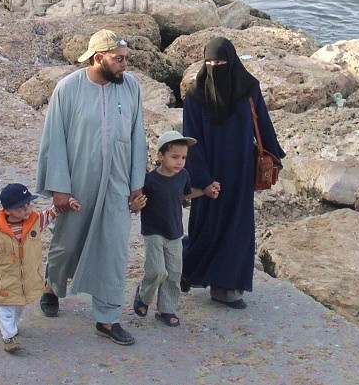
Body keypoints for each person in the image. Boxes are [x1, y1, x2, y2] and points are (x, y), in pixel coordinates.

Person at [36, 29, 148, 346]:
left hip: (117, 182)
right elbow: (54, 141)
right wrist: (59, 188)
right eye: (118, 59)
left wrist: (136, 184)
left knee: (114, 249)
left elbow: (138, 135)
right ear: (98, 58)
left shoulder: (131, 88)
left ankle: (108, 317)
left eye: (126, 59)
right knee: (66, 243)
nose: (124, 65)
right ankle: (52, 286)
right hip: (77, 183)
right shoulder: (67, 90)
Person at [181, 37, 285, 309]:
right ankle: (187, 268)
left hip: (239, 171)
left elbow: (262, 124)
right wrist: (202, 180)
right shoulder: (195, 96)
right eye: (210, 62)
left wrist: (274, 157)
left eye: (221, 62)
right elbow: (191, 139)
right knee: (206, 226)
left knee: (236, 229)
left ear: (232, 61)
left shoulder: (248, 89)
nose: (215, 67)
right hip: (209, 172)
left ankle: (227, 288)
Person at [0, 182, 80, 353]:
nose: (27, 209)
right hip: (5, 278)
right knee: (5, 307)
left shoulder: (35, 222)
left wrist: (68, 203)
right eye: (20, 207)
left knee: (18, 306)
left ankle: (11, 327)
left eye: (28, 204)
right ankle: (9, 338)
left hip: (26, 279)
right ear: (7, 211)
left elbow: (52, 213)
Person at [132, 130, 206, 328]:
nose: (179, 162)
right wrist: (135, 206)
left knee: (173, 274)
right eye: (174, 157)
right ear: (160, 156)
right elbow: (136, 202)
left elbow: (185, 195)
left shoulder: (183, 176)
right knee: (156, 271)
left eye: (183, 157)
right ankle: (143, 296)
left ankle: (166, 309)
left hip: (175, 232)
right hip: (153, 231)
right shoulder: (149, 180)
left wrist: (205, 191)